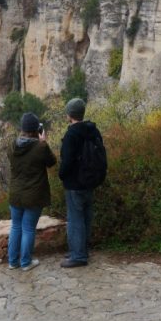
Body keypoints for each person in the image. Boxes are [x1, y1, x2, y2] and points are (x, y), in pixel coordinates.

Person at [7, 112, 56, 271]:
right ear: (37, 129)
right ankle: (26, 262)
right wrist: (43, 142)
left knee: (16, 227)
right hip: (34, 195)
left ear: (21, 128)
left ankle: (13, 262)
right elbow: (52, 162)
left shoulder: (12, 146)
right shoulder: (40, 147)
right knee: (28, 228)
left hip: (15, 194)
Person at [57, 97, 101, 268]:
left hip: (74, 183)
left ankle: (78, 256)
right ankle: (81, 250)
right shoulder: (93, 130)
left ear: (70, 114)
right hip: (90, 180)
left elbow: (66, 161)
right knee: (86, 217)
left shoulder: (71, 134)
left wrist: (61, 175)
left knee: (75, 219)